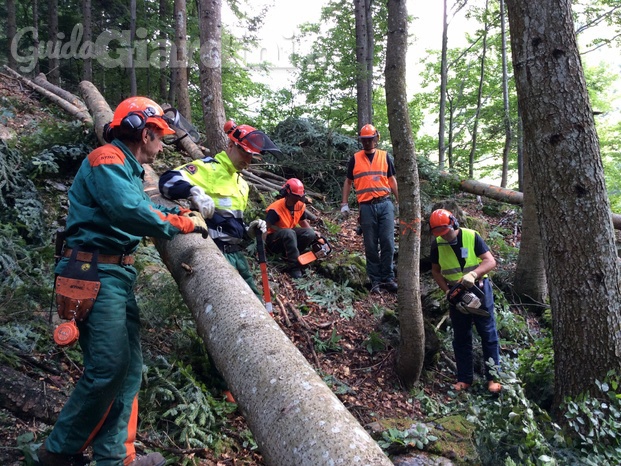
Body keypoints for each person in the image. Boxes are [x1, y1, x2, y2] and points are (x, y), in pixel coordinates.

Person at [38, 97, 209, 466]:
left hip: (113, 272)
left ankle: (116, 457)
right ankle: (57, 452)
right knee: (108, 368)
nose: (162, 145)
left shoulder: (126, 169)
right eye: (160, 137)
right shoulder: (107, 159)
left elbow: (143, 206)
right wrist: (181, 224)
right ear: (144, 133)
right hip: (92, 272)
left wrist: (180, 211)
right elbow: (128, 211)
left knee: (128, 368)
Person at [159, 120, 282, 296]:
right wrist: (193, 191)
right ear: (231, 145)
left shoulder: (242, 185)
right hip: (215, 254)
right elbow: (167, 181)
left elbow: (230, 224)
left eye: (252, 156)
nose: (248, 161)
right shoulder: (208, 168)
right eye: (245, 153)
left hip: (237, 255)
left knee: (255, 301)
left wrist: (249, 231)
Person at [428, 208, 502, 394]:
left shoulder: (471, 236)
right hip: (456, 293)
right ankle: (464, 378)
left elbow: (490, 261)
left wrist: (474, 273)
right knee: (461, 336)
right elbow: (436, 271)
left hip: (478, 289)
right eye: (441, 234)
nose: (445, 237)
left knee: (488, 333)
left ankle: (493, 378)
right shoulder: (437, 244)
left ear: (454, 223)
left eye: (446, 232)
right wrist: (447, 291)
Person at [340, 124, 399, 293]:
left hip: (385, 203)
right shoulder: (355, 158)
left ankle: (388, 277)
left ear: (376, 139)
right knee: (370, 244)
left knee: (388, 241)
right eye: (364, 140)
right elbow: (348, 181)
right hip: (366, 207)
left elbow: (392, 180)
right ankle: (375, 280)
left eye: (370, 140)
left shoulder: (384, 156)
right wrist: (344, 203)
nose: (367, 143)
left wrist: (399, 200)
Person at [265, 178, 318, 278]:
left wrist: (314, 233)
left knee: (309, 233)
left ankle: (295, 256)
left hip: (289, 237)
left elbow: (302, 221)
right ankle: (294, 267)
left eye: (299, 198)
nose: (297, 200)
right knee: (289, 233)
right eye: (295, 197)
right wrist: (261, 249)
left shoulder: (300, 206)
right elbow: (265, 228)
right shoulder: (275, 209)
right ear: (287, 194)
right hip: (274, 241)